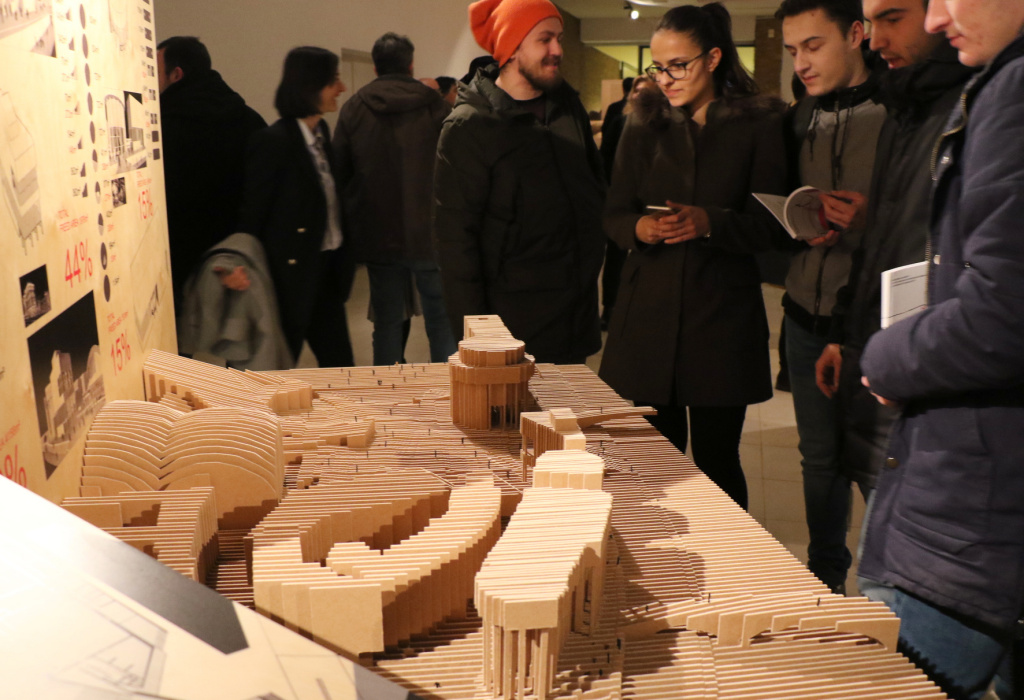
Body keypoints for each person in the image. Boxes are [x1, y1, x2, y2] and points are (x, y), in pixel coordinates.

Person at [858, 0, 1024, 696]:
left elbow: (1003, 314)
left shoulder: (1013, 86)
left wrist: (886, 356)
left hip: (974, 508)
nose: (935, 20)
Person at [598, 3, 789, 509]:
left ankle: (727, 553)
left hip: (721, 318)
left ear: (713, 58)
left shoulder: (759, 123)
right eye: (658, 67)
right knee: (653, 466)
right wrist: (638, 227)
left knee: (717, 461)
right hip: (649, 317)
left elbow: (773, 226)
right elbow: (614, 212)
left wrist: (711, 222)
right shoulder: (643, 121)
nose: (665, 79)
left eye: (678, 66)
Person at [812, 0, 973, 591]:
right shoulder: (904, 109)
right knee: (881, 564)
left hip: (927, 377)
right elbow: (881, 241)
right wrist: (845, 335)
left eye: (893, 17)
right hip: (885, 361)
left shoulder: (974, 106)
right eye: (871, 20)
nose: (876, 39)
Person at [777, 0, 888, 593]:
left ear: (855, 34)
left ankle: (888, 589)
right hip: (803, 312)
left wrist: (872, 219)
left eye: (813, 46)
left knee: (877, 462)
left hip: (875, 321)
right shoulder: (799, 117)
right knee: (818, 461)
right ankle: (825, 585)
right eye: (793, 50)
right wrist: (795, 223)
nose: (801, 62)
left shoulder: (897, 112)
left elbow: (924, 222)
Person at [433, 0, 605, 364]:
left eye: (559, 38)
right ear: (511, 49)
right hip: (514, 327)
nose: (557, 50)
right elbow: (455, 243)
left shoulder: (567, 107)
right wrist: (478, 339)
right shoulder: (470, 125)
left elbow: (594, 191)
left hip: (576, 315)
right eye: (545, 39)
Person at [333, 33, 457, 366]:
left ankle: (385, 388)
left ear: (375, 67)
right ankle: (446, 389)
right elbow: (455, 167)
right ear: (411, 65)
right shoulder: (436, 106)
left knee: (387, 321)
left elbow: (340, 172)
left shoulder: (355, 108)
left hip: (378, 233)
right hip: (429, 232)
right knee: (440, 321)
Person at [235, 46, 355, 368]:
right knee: (275, 373)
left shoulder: (321, 133)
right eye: (334, 80)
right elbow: (253, 211)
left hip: (327, 272)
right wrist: (238, 261)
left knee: (341, 368)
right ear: (310, 85)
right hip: (289, 279)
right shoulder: (272, 142)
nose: (341, 88)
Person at [157, 36, 266, 316]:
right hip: (235, 261)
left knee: (183, 340)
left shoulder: (159, 130)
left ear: (176, 74)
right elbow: (262, 196)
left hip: (177, 267)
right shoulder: (251, 121)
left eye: (153, 71)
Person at [598, 76, 647, 329]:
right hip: (621, 194)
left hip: (647, 197)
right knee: (616, 255)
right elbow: (605, 156)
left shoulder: (661, 124)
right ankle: (611, 308)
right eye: (637, 91)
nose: (640, 95)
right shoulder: (620, 118)